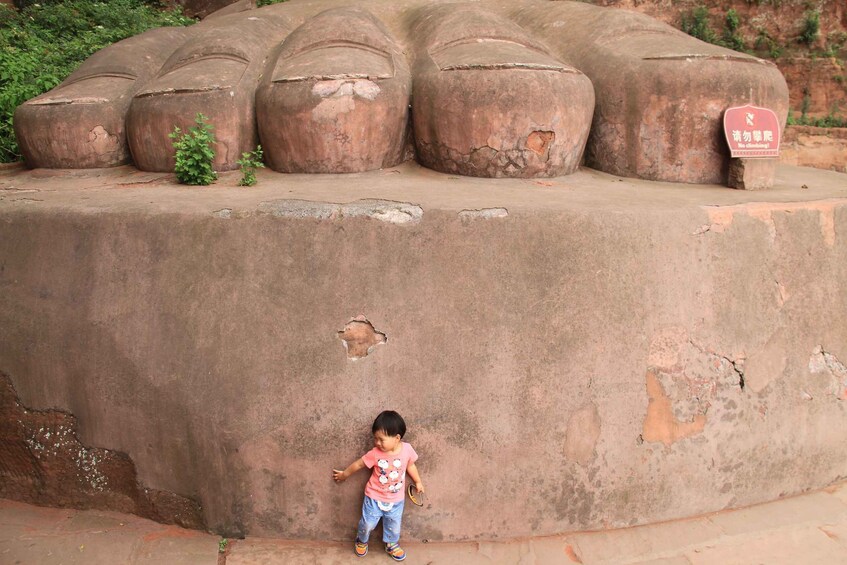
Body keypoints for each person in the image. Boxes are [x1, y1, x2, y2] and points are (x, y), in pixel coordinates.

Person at [333, 410, 424, 561]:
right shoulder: (375, 453)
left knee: (394, 525)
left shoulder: (407, 449)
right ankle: (361, 540)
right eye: (375, 438)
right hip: (373, 497)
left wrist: (418, 481)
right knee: (367, 523)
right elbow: (359, 464)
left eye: (381, 439)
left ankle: (391, 544)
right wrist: (344, 475)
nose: (377, 443)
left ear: (397, 438)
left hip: (396, 500)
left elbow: (411, 466)